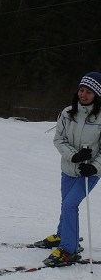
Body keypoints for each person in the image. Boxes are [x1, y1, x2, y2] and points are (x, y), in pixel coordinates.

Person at [40, 71, 101, 266]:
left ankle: (69, 249)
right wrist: (73, 156)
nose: (83, 95)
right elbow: (59, 139)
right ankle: (63, 235)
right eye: (82, 90)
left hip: (89, 173)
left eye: (89, 92)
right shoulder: (67, 113)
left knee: (70, 205)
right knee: (65, 203)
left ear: (97, 95)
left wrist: (93, 167)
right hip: (68, 168)